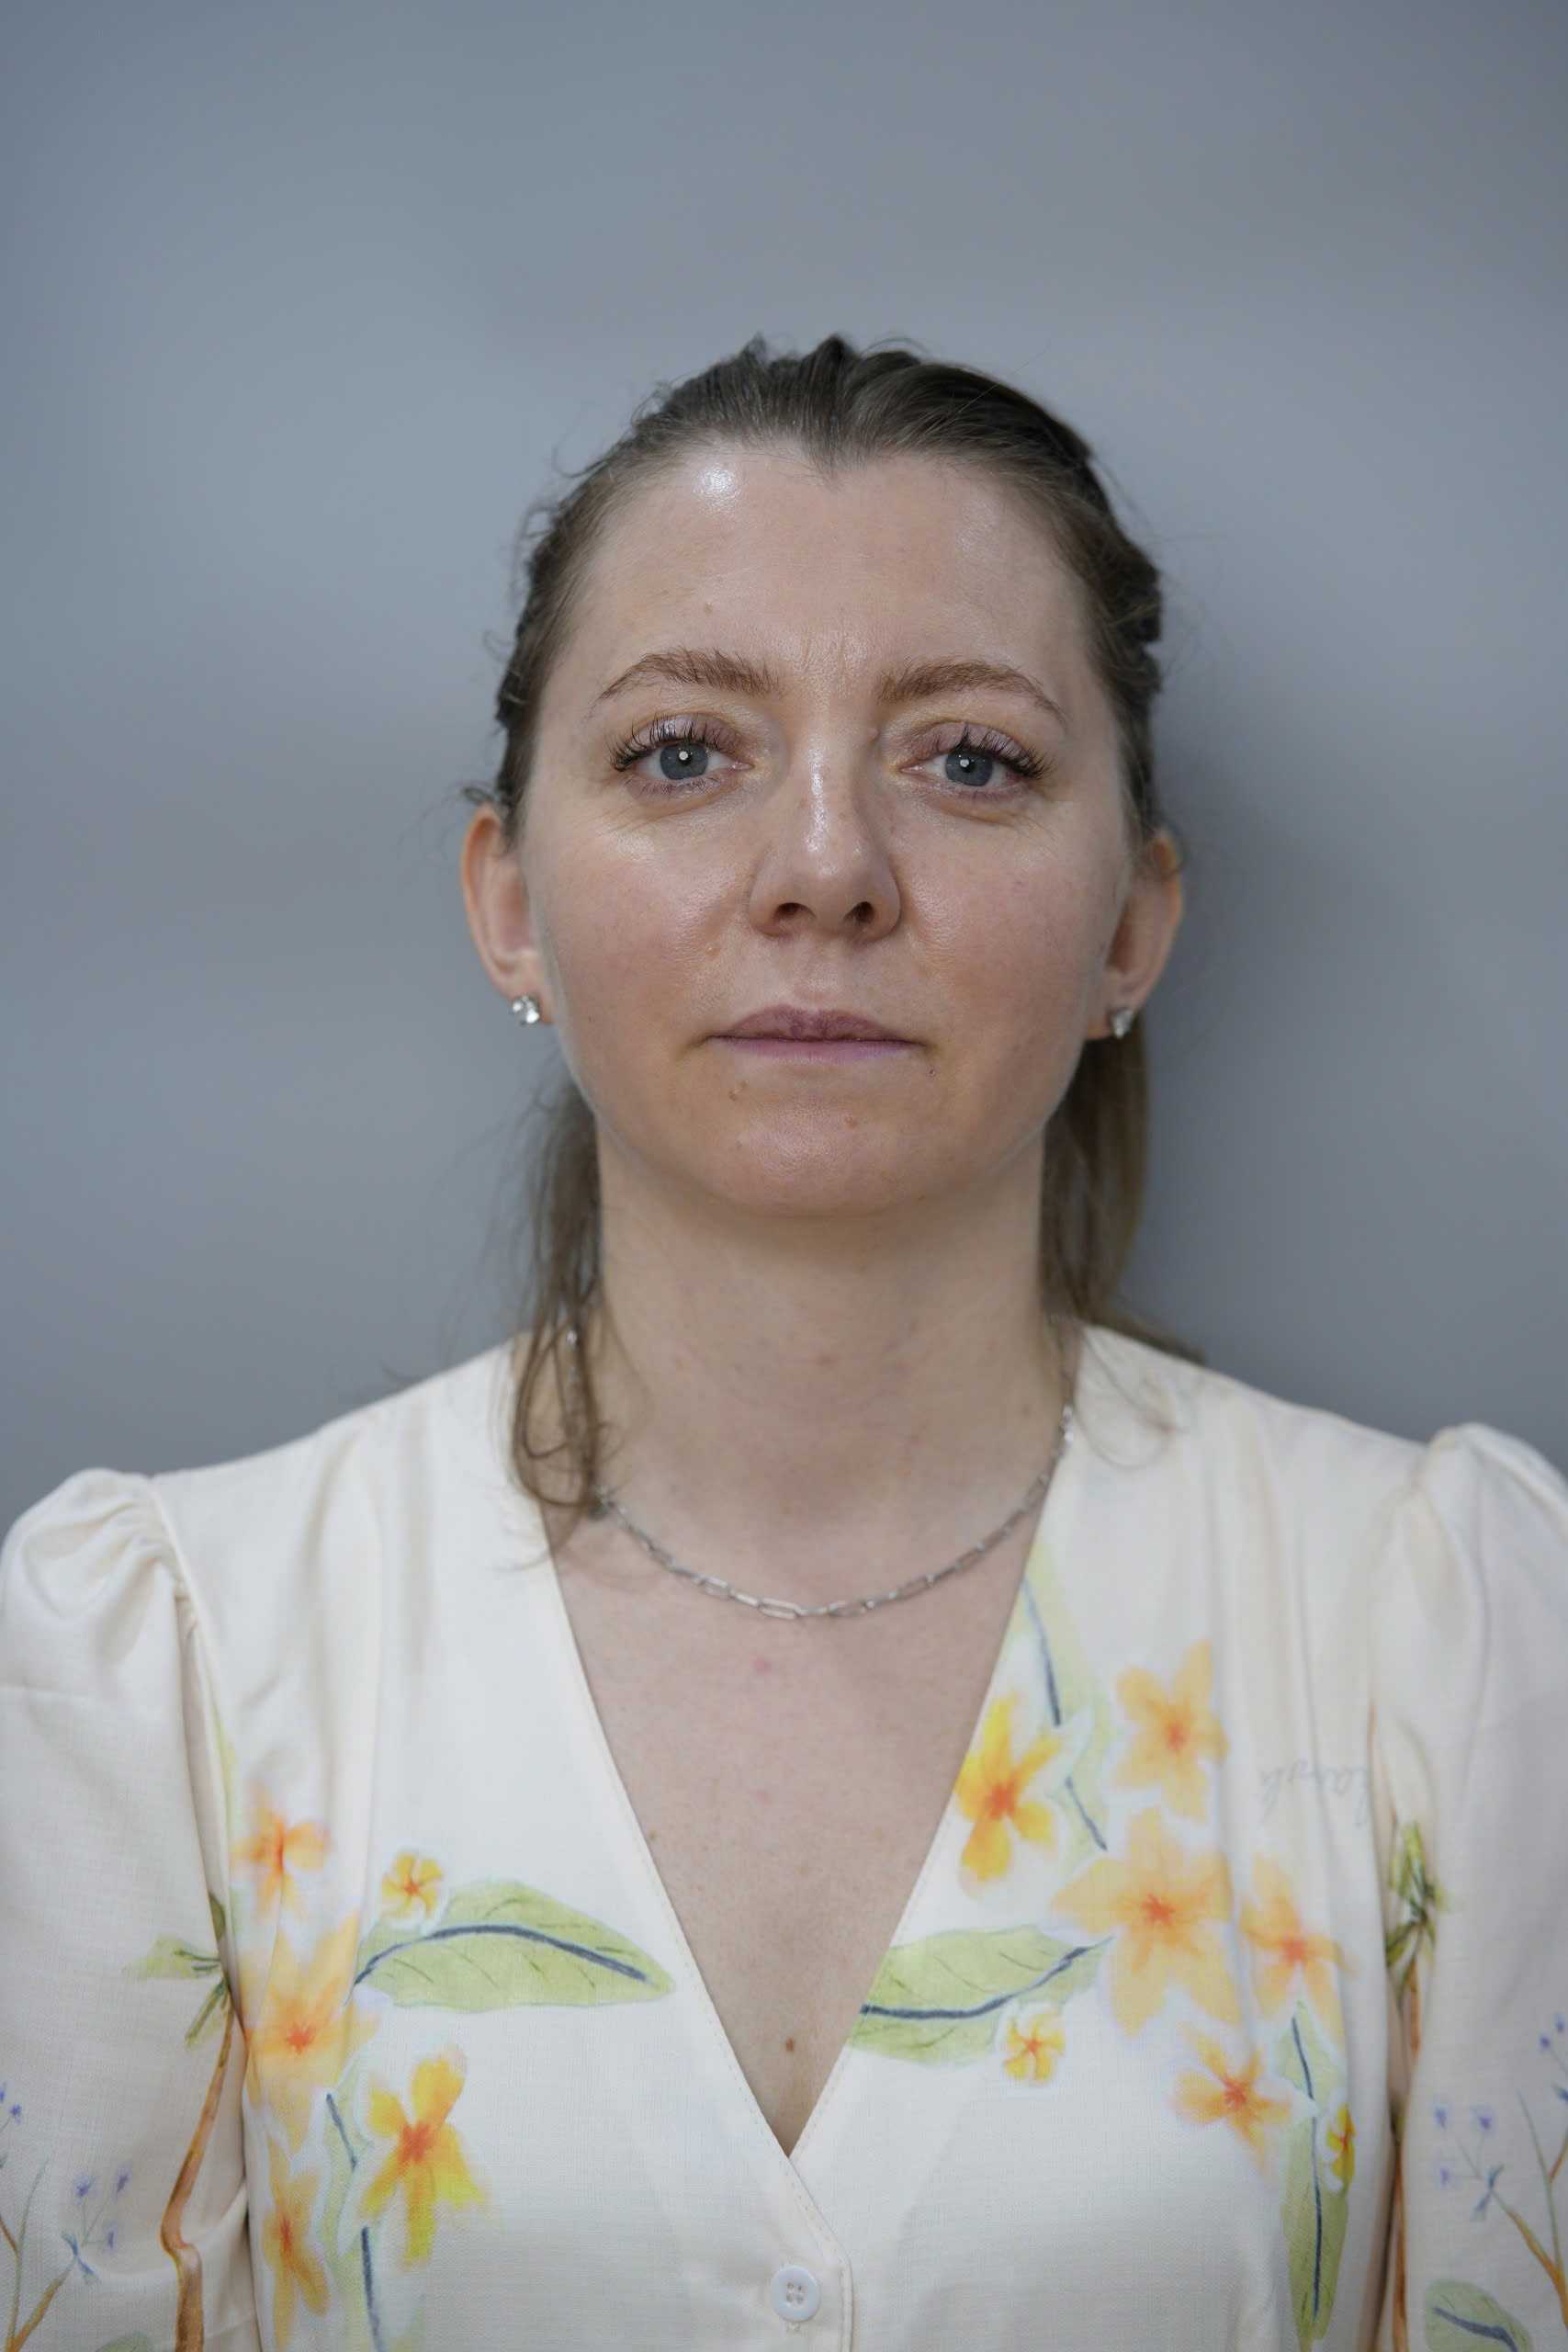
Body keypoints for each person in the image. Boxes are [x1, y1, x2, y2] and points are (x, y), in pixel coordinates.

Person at [2, 336, 1564, 2352]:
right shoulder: (167, 1675)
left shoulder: (1451, 1650)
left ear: (1131, 927)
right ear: (507, 901)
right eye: (682, 752)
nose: (826, 867)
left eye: (970, 760)